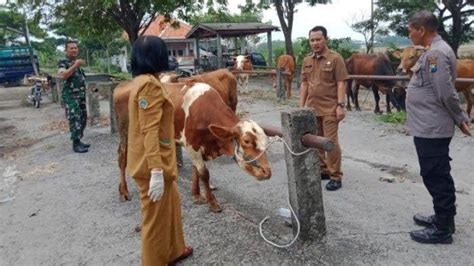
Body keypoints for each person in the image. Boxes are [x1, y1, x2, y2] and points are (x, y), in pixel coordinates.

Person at [405, 10, 471, 244]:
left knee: (436, 175)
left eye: (410, 29)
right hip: (426, 125)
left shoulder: (436, 54)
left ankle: (443, 229)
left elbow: (446, 92)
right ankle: (442, 217)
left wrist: (460, 117)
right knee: (433, 172)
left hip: (432, 127)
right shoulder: (432, 52)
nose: (409, 34)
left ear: (421, 30)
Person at [127, 35, 193, 265]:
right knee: (154, 221)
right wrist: (155, 170)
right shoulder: (148, 86)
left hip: (159, 160)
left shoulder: (143, 81)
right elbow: (150, 130)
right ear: (158, 56)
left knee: (171, 206)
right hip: (152, 164)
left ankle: (173, 250)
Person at [299, 26, 349, 191]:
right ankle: (324, 170)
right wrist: (301, 107)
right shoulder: (307, 60)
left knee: (331, 142)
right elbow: (304, 83)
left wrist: (341, 106)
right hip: (312, 109)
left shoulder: (335, 59)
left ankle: (336, 176)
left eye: (318, 39)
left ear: (326, 39)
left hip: (330, 108)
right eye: (312, 40)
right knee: (316, 141)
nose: (315, 43)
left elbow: (341, 82)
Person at [57, 40, 89, 153]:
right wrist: (75, 66)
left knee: (83, 117)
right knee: (75, 117)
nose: (74, 50)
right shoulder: (63, 62)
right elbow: (63, 75)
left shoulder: (77, 62)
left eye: (75, 48)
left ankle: (79, 140)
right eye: (71, 48)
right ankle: (75, 144)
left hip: (80, 96)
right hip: (70, 96)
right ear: (66, 50)